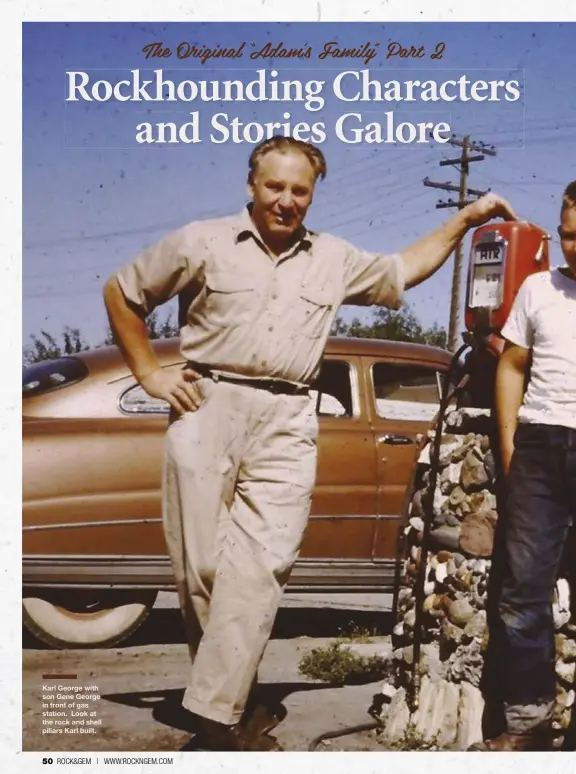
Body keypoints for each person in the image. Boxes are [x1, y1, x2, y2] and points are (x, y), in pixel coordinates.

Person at [103, 135, 515, 751]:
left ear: (313, 195)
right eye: (275, 187)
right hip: (207, 402)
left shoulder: (333, 256)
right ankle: (233, 708)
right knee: (202, 567)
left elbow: (405, 268)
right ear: (252, 185)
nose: (286, 201)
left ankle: (213, 715)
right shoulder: (201, 241)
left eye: (300, 191)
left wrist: (463, 220)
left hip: (291, 415)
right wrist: (149, 374)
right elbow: (122, 293)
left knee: (264, 564)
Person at [470, 181, 576, 752]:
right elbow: (511, 365)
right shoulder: (538, 288)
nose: (574, 246)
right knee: (521, 595)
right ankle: (528, 722)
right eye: (567, 235)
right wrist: (509, 444)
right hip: (539, 449)